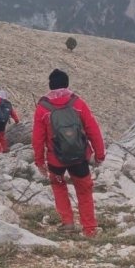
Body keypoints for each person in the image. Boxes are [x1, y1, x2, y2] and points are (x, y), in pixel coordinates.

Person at [32, 69, 105, 237]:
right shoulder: (78, 103)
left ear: (50, 85)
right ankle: (89, 228)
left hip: (55, 161)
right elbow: (93, 129)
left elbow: (37, 139)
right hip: (79, 158)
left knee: (59, 186)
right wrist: (99, 154)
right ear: (67, 84)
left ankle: (68, 223)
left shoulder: (42, 108)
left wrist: (39, 162)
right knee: (84, 191)